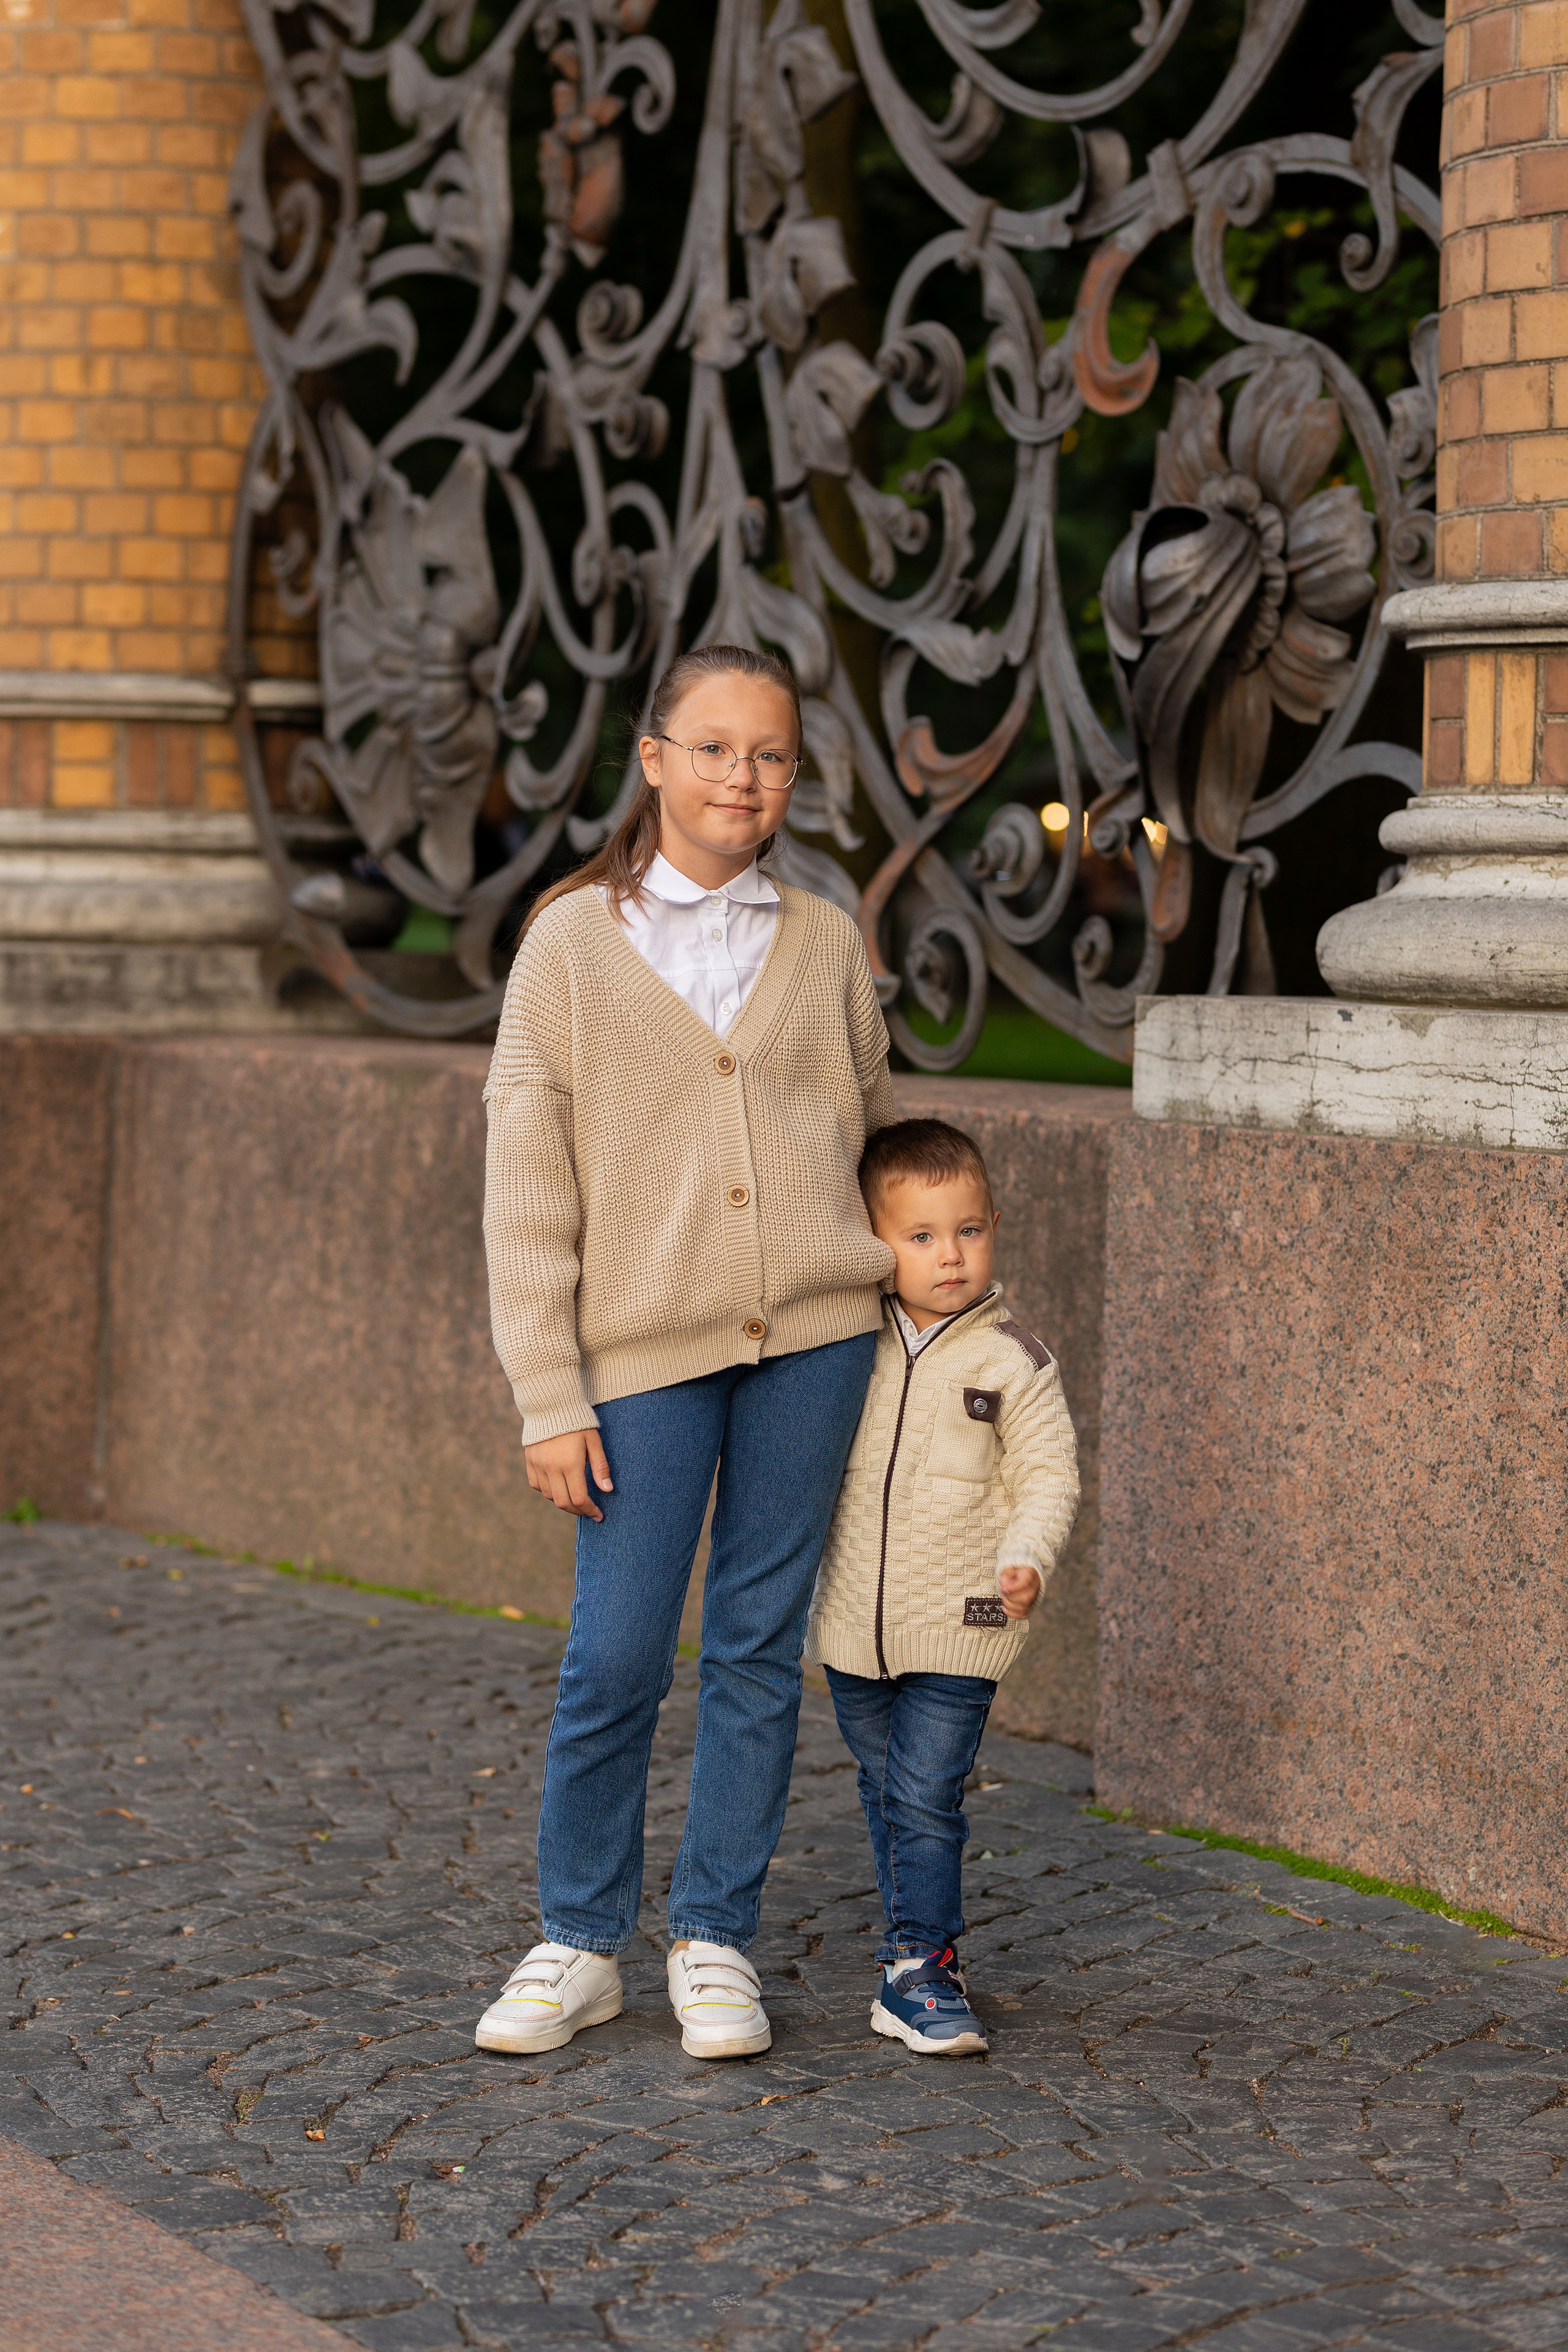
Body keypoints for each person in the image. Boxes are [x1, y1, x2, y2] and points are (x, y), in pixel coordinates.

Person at [475, 644, 896, 2061]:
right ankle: (577, 1939)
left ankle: (713, 1935)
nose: (742, 777)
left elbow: (861, 1131)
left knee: (758, 1648)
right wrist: (549, 1393)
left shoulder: (826, 942)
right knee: (612, 1653)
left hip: (816, 1343)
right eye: (712, 749)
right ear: (652, 760)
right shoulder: (571, 943)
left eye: (768, 755)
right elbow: (525, 1187)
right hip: (638, 1354)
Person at [804, 1118, 1080, 2057]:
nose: (950, 1256)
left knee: (925, 1793)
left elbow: (1050, 1477)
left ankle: (923, 1964)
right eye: (921, 1237)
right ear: (872, 1242)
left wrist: (1028, 1559)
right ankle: (907, 1954)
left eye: (968, 1230)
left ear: (994, 1225)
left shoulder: (1013, 1361)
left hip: (963, 1624)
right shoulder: (845, 1348)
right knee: (887, 1786)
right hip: (852, 1627)